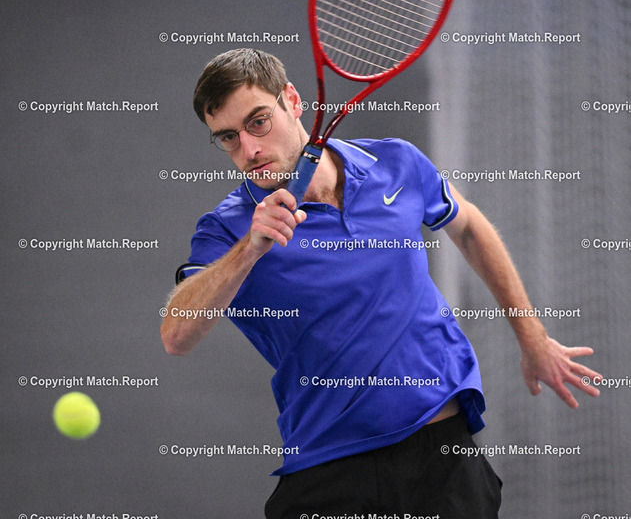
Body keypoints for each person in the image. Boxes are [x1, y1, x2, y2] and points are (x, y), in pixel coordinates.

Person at [161, 48, 601, 518]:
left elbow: (469, 227)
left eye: (258, 122)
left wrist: (530, 335)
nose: (248, 150)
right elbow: (176, 335)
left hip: (442, 456)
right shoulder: (227, 228)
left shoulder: (394, 162)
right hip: (329, 468)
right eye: (228, 138)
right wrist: (249, 249)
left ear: (292, 100)